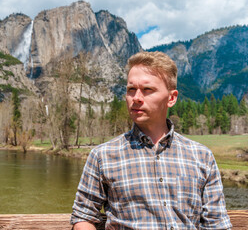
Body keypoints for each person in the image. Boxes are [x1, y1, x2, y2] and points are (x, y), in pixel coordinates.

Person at [71, 51, 232, 229]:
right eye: (131, 89)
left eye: (147, 90)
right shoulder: (102, 156)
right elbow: (83, 217)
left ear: (171, 98)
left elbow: (216, 224)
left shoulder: (202, 157)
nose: (136, 98)